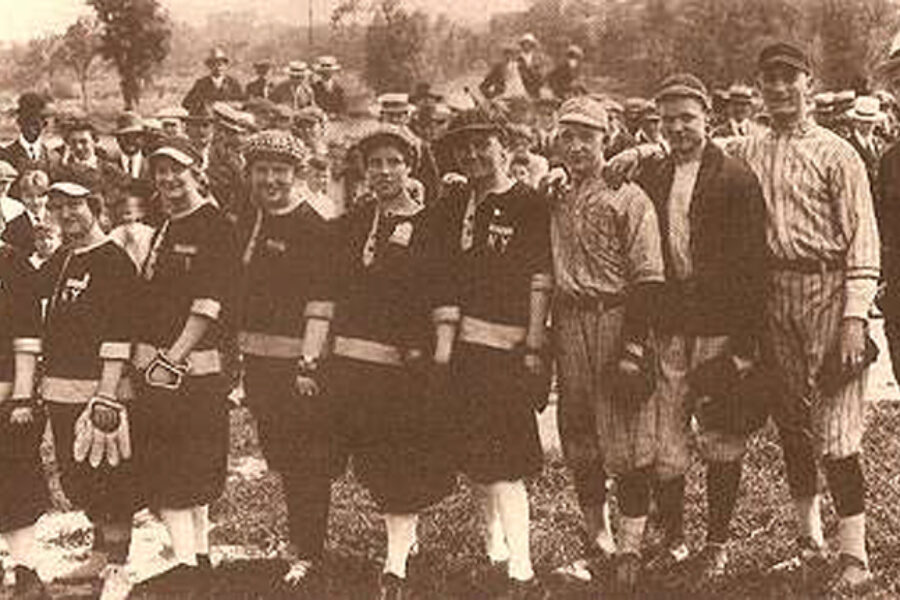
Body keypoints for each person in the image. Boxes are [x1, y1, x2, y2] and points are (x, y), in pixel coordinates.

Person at [608, 41, 880, 594]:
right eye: (770, 79)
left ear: (809, 82)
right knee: (791, 422)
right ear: (759, 88)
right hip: (773, 294)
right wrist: (635, 154)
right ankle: (809, 542)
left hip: (828, 286)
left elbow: (864, 245)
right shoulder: (752, 148)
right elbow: (695, 145)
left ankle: (856, 556)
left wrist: (855, 317)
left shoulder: (839, 152)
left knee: (837, 430)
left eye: (790, 77)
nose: (779, 88)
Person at [632, 74, 768, 579]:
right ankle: (674, 538)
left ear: (706, 117)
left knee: (719, 433)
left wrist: (745, 344)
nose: (678, 128)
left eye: (687, 118)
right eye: (668, 120)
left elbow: (754, 265)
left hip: (719, 321)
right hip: (671, 320)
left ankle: (717, 541)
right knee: (667, 435)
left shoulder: (735, 177)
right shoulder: (655, 172)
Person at [328, 124, 458, 599]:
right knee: (373, 460)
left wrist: (438, 358)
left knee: (401, 461)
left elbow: (442, 295)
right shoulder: (352, 223)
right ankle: (404, 538)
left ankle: (396, 561)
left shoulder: (428, 226)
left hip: (407, 366)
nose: (383, 172)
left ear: (409, 167)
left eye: (393, 163)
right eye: (375, 163)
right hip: (356, 366)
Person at [539, 97, 663, 594]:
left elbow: (649, 280)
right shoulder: (556, 192)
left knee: (627, 435)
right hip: (569, 321)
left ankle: (631, 545)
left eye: (586, 136)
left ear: (605, 140)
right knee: (580, 435)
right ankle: (599, 538)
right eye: (567, 136)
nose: (576, 146)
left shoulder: (629, 195)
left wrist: (634, 345)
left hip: (615, 316)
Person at [434, 110, 553, 598]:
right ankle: (494, 550)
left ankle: (522, 567)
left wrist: (533, 344)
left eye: (483, 144)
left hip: (507, 351)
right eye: (464, 147)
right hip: (463, 352)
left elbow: (539, 279)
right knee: (475, 458)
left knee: (505, 462)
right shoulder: (457, 201)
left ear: (504, 145)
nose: (474, 154)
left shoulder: (528, 203)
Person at [129, 136, 239, 596]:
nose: (169, 179)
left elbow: (209, 304)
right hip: (163, 365)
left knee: (183, 469)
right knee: (180, 467)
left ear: (197, 171)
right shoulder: (166, 224)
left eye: (178, 170)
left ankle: (190, 567)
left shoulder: (214, 224)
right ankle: (196, 560)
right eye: (161, 172)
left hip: (189, 367)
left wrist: (169, 359)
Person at [235, 130, 338, 594]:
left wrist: (308, 364)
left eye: (280, 171)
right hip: (258, 365)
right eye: (262, 171)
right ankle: (300, 539)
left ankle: (309, 551)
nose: (270, 180)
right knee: (281, 455)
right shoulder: (249, 220)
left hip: (299, 366)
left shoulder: (313, 225)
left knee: (306, 461)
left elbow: (322, 301)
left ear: (296, 175)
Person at [39, 177, 141, 600]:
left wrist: (107, 395)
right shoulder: (62, 258)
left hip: (100, 393)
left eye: (75, 205)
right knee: (79, 478)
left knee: (110, 479)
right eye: (58, 206)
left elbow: (121, 331)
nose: (67, 214)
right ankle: (100, 554)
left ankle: (117, 566)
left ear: (95, 207)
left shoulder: (113, 260)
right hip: (60, 391)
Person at [0, 229, 49, 600]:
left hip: (4, 393)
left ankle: (26, 568)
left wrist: (21, 396)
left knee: (15, 482)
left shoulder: (12, 264)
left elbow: (27, 335)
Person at [182, 47, 244, 115]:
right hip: (206, 121)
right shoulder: (201, 84)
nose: (218, 68)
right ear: (209, 66)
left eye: (220, 65)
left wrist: (228, 107)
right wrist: (203, 106)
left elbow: (242, 103)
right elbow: (186, 103)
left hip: (228, 121)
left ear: (225, 66)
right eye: (214, 64)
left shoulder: (233, 83)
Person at [846, 96, 884, 190]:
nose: (867, 126)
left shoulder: (879, 143)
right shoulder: (847, 145)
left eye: (870, 122)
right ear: (855, 122)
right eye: (863, 122)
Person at [0, 162, 35, 254]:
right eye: (0, 183)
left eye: (7, 183)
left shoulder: (16, 207)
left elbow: (26, 237)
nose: (3, 188)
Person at [111, 112, 149, 182]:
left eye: (136, 136)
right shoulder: (110, 166)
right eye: (126, 136)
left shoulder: (151, 166)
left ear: (143, 138)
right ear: (117, 139)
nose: (131, 141)